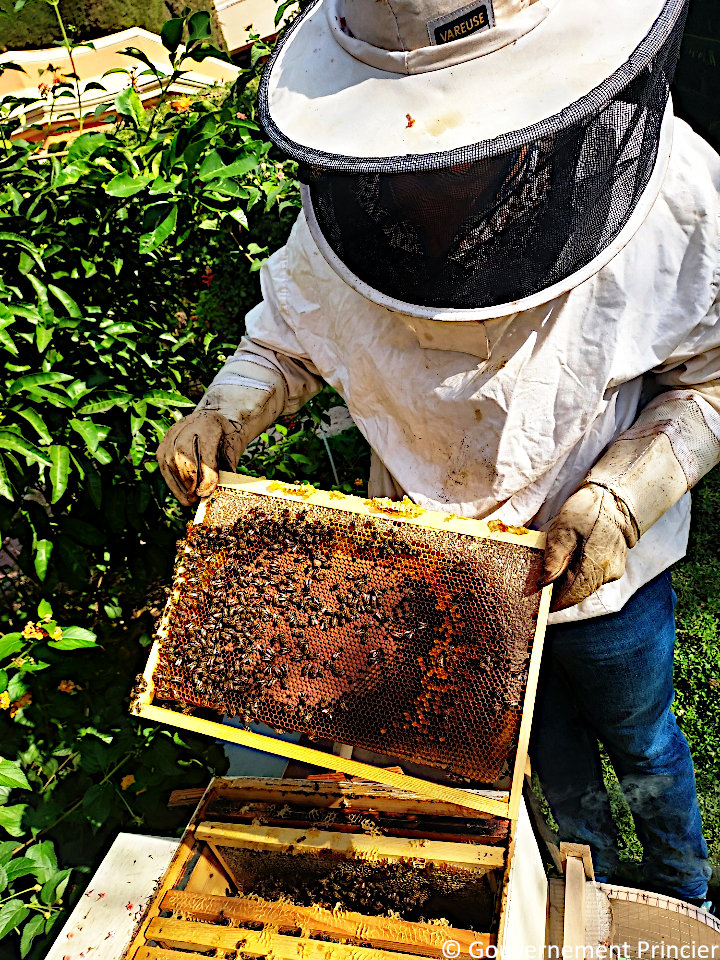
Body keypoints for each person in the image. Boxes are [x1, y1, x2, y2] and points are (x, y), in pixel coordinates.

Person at [157, 0, 720, 905]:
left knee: (642, 735)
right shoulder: (347, 219)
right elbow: (288, 337)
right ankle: (589, 884)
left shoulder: (676, 190)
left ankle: (685, 892)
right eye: (410, 150)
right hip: (444, 572)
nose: (440, 163)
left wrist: (623, 495)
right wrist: (225, 411)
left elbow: (714, 376)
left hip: (607, 568)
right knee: (541, 750)